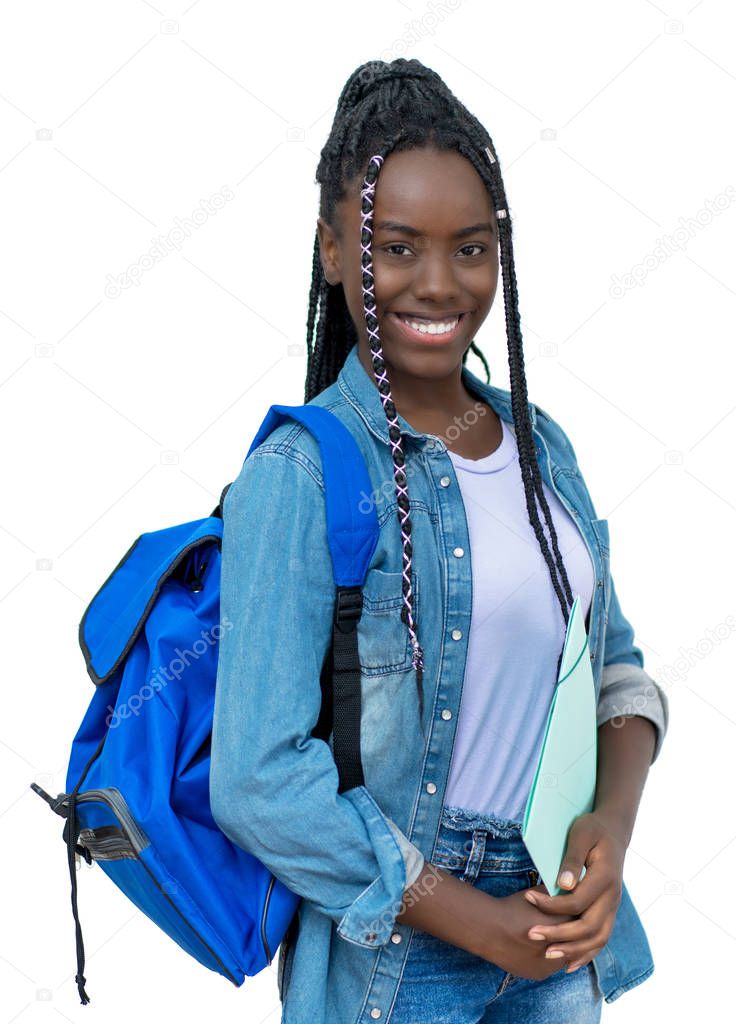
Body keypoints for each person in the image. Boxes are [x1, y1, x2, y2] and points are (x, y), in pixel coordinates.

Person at [209, 58, 669, 1024]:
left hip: (556, 926)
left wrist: (610, 830)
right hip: (400, 959)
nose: (437, 283)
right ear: (335, 252)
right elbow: (257, 781)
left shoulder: (542, 448)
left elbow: (617, 672)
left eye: (470, 249)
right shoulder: (301, 474)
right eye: (395, 247)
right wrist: (468, 918)